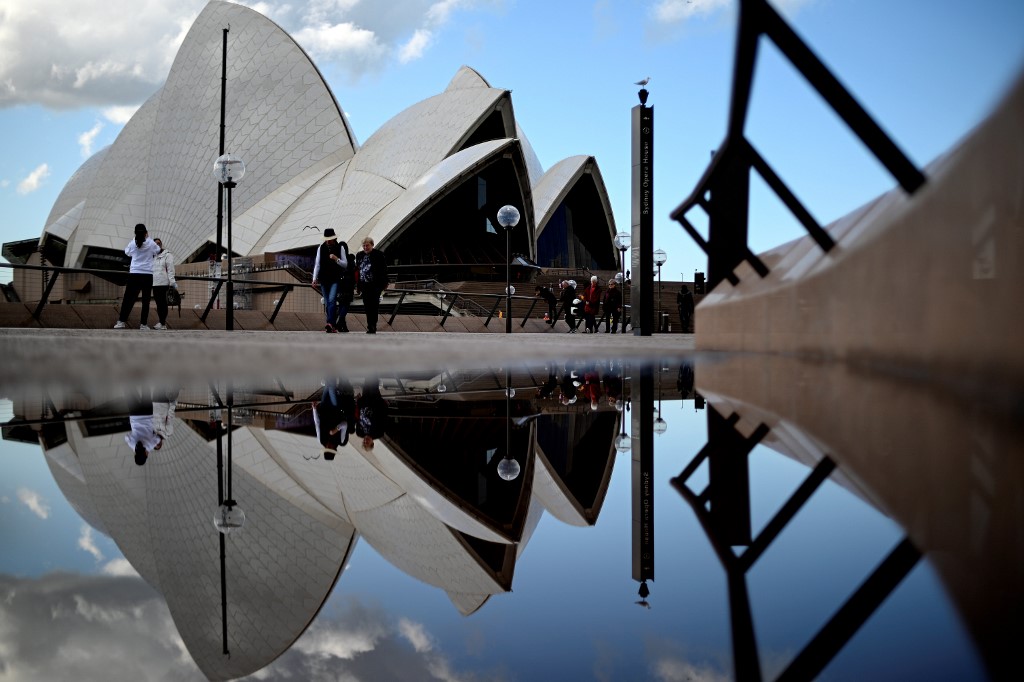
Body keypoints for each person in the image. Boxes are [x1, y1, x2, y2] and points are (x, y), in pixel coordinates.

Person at [114, 223, 161, 329]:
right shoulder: (151, 243)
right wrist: (148, 238)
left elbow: (127, 252)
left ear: (135, 233)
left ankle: (121, 321)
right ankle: (143, 324)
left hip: (134, 273)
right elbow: (157, 250)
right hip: (147, 274)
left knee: (128, 299)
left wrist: (134, 239)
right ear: (146, 233)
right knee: (146, 301)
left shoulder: (132, 243)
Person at [312, 228, 351, 333]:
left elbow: (345, 264)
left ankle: (330, 322)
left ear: (334, 238)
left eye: (330, 239)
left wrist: (336, 259)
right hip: (324, 278)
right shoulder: (321, 248)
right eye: (327, 239)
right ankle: (332, 325)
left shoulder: (340, 248)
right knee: (327, 301)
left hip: (335, 278)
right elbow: (317, 264)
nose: (328, 241)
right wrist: (314, 278)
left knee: (331, 300)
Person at [355, 236, 388, 334]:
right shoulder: (359, 255)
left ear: (372, 245)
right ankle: (370, 325)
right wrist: (358, 285)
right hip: (364, 284)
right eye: (364, 246)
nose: (365, 247)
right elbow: (358, 269)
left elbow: (384, 269)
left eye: (367, 245)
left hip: (375, 284)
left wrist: (385, 283)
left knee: (374, 305)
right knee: (367, 306)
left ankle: (373, 325)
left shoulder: (379, 254)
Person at [312, 379, 351, 460]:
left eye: (326, 448)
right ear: (334, 450)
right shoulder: (340, 440)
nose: (328, 446)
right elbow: (345, 424)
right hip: (335, 408)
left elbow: (317, 423)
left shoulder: (321, 440)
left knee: (328, 386)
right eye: (330, 448)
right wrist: (336, 429)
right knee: (331, 388)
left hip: (324, 409)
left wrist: (314, 409)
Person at [124, 386, 163, 465]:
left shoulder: (150, 446)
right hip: (135, 415)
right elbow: (126, 437)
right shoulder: (132, 444)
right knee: (128, 390)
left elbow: (158, 438)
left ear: (146, 454)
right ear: (135, 455)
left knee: (146, 390)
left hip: (148, 414)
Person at [355, 375, 390, 449]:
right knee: (373, 383)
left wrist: (358, 403)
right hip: (375, 402)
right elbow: (383, 418)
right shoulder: (378, 433)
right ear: (372, 443)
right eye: (367, 443)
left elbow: (357, 418)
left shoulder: (359, 433)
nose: (365, 441)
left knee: (367, 383)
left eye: (364, 442)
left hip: (364, 402)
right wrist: (384, 405)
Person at [151, 237, 177, 330]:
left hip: (163, 283)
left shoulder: (167, 255)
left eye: (159, 243)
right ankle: (161, 322)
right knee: (158, 303)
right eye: (155, 244)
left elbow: (170, 269)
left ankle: (162, 323)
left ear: (161, 244)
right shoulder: (152, 256)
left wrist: (172, 282)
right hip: (154, 283)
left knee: (163, 303)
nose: (157, 245)